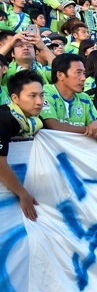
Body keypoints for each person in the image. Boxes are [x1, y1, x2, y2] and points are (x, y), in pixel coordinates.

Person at [0, 71, 46, 220]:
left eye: (41, 95)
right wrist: (23, 194)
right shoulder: (4, 119)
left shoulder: (34, 120)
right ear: (15, 98)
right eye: (32, 96)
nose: (39, 102)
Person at [40, 53, 97, 143]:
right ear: (60, 75)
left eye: (84, 73)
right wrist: (89, 129)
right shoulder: (45, 92)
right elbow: (53, 126)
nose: (83, 78)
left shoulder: (85, 98)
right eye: (78, 72)